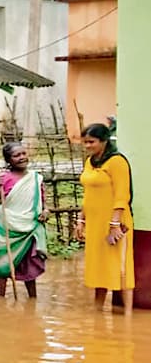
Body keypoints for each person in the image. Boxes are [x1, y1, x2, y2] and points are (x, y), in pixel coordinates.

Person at [76, 122, 134, 310]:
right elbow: (87, 194)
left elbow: (122, 195)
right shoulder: (90, 162)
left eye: (91, 142)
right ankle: (98, 309)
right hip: (94, 222)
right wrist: (81, 220)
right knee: (98, 265)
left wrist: (114, 222)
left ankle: (127, 317)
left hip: (114, 223)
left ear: (104, 141)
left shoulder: (117, 161)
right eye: (84, 142)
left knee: (120, 266)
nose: (87, 146)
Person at [0, 141, 48, 299]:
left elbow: (43, 203)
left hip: (30, 227)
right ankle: (0, 304)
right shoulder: (3, 178)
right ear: (9, 160)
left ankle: (32, 300)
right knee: (2, 267)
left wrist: (45, 212)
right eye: (16, 155)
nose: (22, 158)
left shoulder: (36, 179)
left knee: (30, 266)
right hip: (8, 227)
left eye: (23, 154)